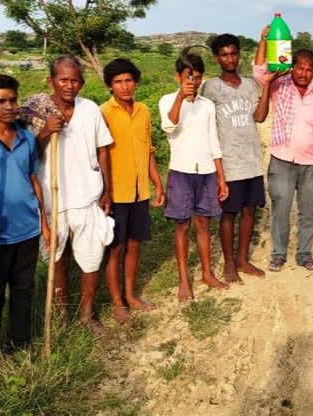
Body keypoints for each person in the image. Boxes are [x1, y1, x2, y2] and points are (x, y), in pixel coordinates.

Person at [17, 55, 115, 333]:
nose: (69, 85)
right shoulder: (37, 112)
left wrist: (106, 190)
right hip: (52, 201)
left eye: (74, 80)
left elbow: (103, 149)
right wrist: (46, 132)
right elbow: (24, 155)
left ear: (81, 83)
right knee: (57, 259)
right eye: (63, 79)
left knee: (91, 258)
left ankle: (86, 315)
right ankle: (61, 315)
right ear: (51, 81)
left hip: (87, 197)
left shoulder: (90, 109)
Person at [253, 25, 313, 272]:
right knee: (281, 208)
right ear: (293, 66)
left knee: (308, 211)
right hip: (282, 159)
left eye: (309, 70)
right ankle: (278, 254)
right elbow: (259, 72)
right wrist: (263, 40)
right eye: (300, 67)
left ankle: (304, 254)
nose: (304, 73)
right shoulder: (280, 85)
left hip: (310, 163)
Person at [159, 51, 229, 301]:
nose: (194, 82)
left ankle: (207, 273)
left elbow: (213, 141)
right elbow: (169, 126)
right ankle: (183, 280)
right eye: (188, 77)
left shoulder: (207, 105)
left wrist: (220, 176)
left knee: (203, 223)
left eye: (198, 77)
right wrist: (180, 96)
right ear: (178, 76)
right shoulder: (167, 100)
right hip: (181, 171)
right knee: (182, 225)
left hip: (207, 171)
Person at [101, 58, 165, 322]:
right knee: (114, 247)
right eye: (118, 82)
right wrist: (104, 192)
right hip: (116, 193)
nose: (124, 86)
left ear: (136, 82)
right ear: (110, 86)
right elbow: (99, 155)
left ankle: (130, 295)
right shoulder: (103, 112)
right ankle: (117, 302)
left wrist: (158, 183)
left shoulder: (143, 111)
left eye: (128, 80)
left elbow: (148, 150)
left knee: (134, 243)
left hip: (140, 191)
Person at [0, 74, 50, 353]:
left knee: (23, 290)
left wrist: (44, 223)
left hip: (27, 228)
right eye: (0, 100)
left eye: (13, 99)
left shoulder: (26, 138)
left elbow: (33, 179)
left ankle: (19, 346)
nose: (9, 106)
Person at [201, 34, 266, 282]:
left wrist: (267, 85)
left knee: (249, 211)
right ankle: (229, 264)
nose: (230, 59)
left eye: (233, 53)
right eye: (224, 55)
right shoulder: (211, 88)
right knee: (229, 214)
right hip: (228, 163)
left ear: (239, 54)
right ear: (216, 58)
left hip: (251, 161)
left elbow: (259, 117)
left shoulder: (250, 85)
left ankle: (243, 260)